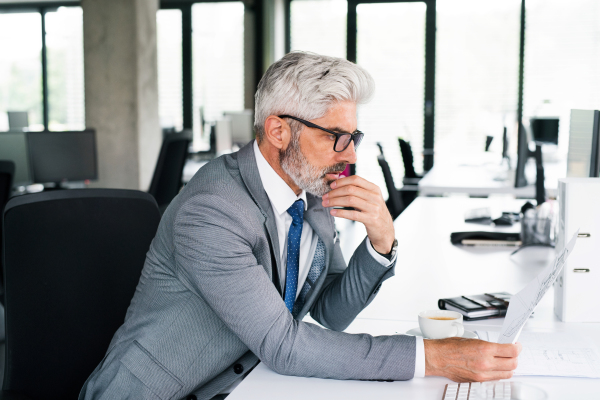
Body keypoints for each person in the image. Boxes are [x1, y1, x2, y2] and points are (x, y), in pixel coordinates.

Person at [80, 52, 521, 400]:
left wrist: (381, 240)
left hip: (247, 383)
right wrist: (432, 358)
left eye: (354, 138)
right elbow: (285, 345)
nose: (349, 156)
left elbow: (331, 313)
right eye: (336, 136)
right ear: (277, 131)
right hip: (164, 391)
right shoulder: (212, 210)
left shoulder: (310, 191)